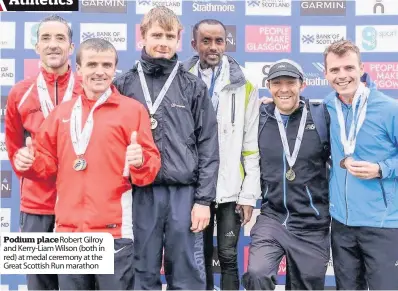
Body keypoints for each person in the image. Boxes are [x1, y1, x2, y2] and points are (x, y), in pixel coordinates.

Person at [12, 38, 161, 290]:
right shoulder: (62, 113)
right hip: (69, 233)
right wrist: (29, 161)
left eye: (106, 65)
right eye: (91, 64)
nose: (99, 71)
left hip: (112, 232)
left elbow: (148, 170)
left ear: (115, 69)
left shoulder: (132, 111)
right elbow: (46, 167)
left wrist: (140, 161)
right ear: (79, 69)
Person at [113, 6, 219, 290]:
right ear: (142, 36)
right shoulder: (123, 84)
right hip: (138, 194)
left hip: (183, 195)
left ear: (179, 40)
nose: (163, 41)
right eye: (157, 34)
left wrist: (203, 201)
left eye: (169, 36)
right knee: (140, 272)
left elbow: (209, 146)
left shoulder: (193, 86)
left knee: (186, 275)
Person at [183, 19, 261, 291]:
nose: (213, 47)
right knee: (198, 257)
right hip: (194, 189)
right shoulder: (181, 81)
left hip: (231, 189)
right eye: (206, 41)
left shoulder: (245, 86)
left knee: (228, 257)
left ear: (226, 43)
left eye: (219, 41)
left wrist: (248, 194)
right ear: (194, 44)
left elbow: (251, 146)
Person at [4, 14, 81, 291]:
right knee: (40, 285)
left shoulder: (89, 89)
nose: (53, 44)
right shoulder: (20, 93)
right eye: (46, 38)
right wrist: (21, 160)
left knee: (78, 285)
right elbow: (13, 149)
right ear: (36, 46)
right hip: (37, 206)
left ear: (71, 47)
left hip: (79, 208)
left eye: (60, 38)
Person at [242, 59, 331, 290]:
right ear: (268, 86)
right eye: (277, 83)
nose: (283, 89)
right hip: (273, 218)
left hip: (312, 222)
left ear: (303, 85)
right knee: (257, 274)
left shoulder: (321, 117)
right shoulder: (259, 116)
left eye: (290, 82)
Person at [323, 39, 398, 290]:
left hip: (382, 224)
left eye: (348, 68)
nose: (342, 75)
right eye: (335, 70)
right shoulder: (326, 108)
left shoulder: (389, 109)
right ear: (325, 74)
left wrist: (381, 169)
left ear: (361, 68)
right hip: (342, 225)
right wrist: (272, 107)